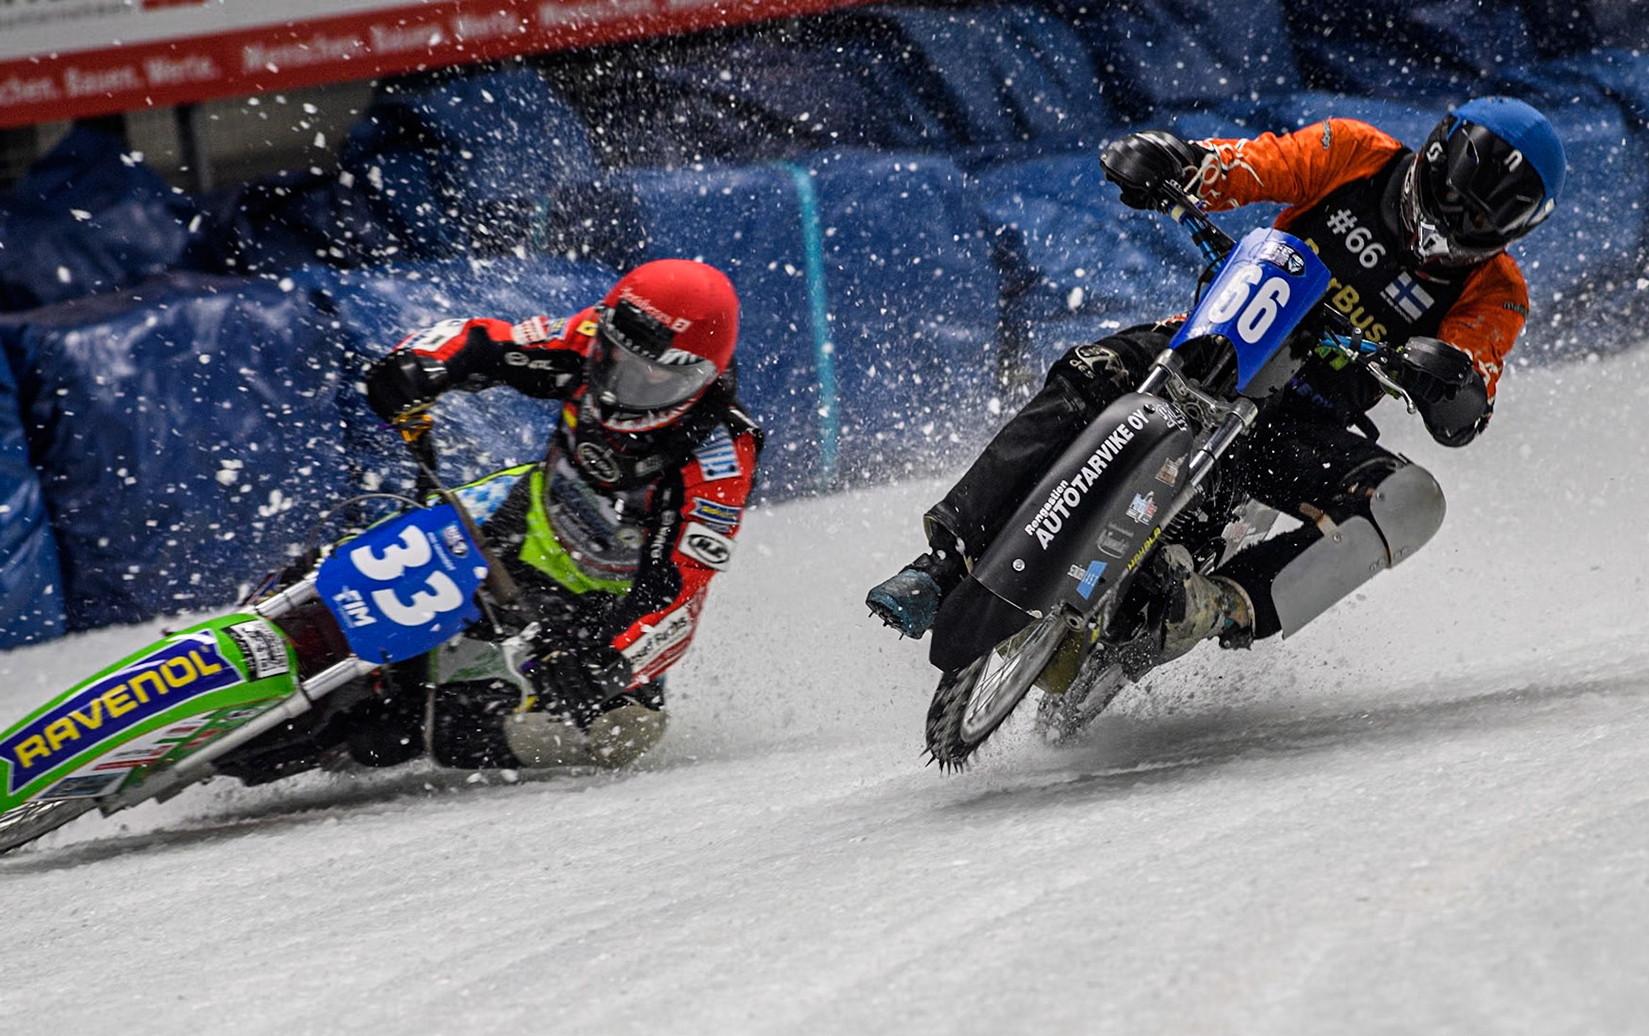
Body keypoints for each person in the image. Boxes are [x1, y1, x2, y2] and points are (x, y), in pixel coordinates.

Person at [866, 97, 1565, 663]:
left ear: (1513, 230)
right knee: (1091, 373)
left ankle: (1223, 603)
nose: (1451, 225)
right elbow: (1254, 166)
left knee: (1413, 501)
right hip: (1213, 344)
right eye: (1453, 199)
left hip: (1302, 423)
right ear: (1436, 157)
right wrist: (1177, 165)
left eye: (1478, 220)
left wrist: (1451, 381)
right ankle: (942, 564)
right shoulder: (1355, 152)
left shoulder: (1497, 291)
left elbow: (1472, 391)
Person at [231, 258, 759, 781]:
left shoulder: (720, 457)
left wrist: (609, 661)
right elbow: (482, 340)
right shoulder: (588, 337)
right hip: (517, 519)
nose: (619, 383)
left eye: (649, 377)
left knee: (625, 732)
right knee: (351, 569)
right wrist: (418, 365)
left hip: (599, 602)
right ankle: (261, 619)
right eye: (613, 356)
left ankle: (429, 721)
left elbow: (676, 597)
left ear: (697, 377)